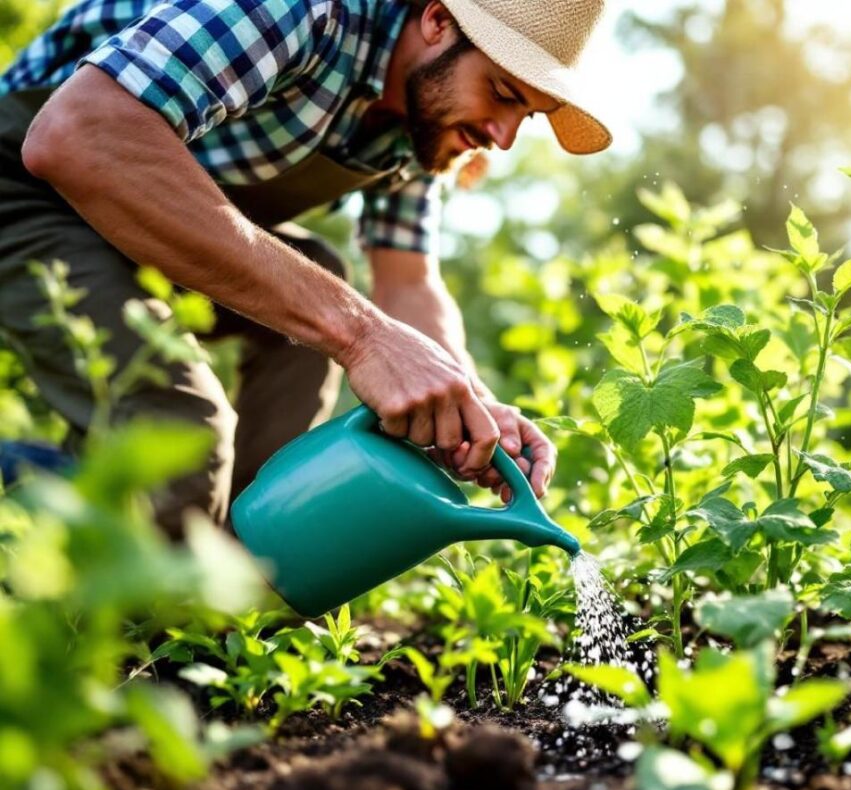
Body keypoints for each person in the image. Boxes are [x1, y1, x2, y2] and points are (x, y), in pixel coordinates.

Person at [0, 0, 610, 537]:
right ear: (437, 20)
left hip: (142, 220)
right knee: (178, 427)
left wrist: (473, 407)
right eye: (503, 92)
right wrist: (362, 334)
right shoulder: (304, 10)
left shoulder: (419, 123)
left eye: (527, 114)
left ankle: (234, 576)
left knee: (320, 276)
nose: (502, 138)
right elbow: (76, 133)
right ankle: (143, 618)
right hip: (29, 189)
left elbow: (407, 282)